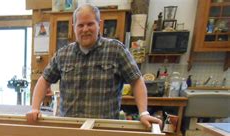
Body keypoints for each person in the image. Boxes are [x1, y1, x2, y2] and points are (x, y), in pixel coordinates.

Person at [26, 4, 161, 128]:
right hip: (70, 128)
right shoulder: (63, 54)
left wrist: (143, 113)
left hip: (103, 129)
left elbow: (136, 80)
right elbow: (44, 80)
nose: (85, 29)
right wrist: (35, 108)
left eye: (90, 24)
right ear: (74, 27)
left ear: (99, 25)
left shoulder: (116, 50)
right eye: (80, 25)